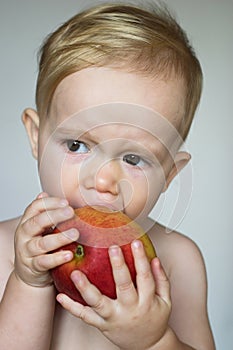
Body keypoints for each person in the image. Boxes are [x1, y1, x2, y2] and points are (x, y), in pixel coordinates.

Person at [0, 2, 215, 349]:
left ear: (169, 174)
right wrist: (29, 282)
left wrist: (156, 339)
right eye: (76, 146)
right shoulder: (7, 249)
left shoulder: (177, 261)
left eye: (133, 158)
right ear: (36, 137)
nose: (101, 180)